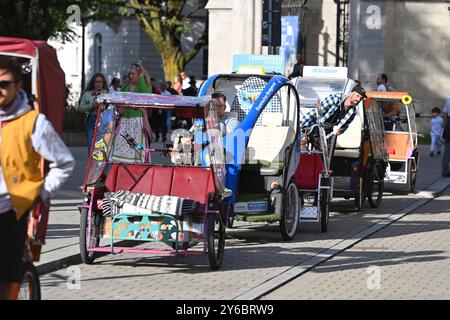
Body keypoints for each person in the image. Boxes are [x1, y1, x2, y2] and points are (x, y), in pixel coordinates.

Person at [0, 57, 75, 300]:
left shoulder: (33, 123)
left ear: (17, 86)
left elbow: (64, 162)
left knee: (6, 275)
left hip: (11, 211)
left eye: (4, 83)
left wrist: (41, 193)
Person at [301, 85, 368, 137]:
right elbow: (316, 112)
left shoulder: (352, 112)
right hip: (315, 126)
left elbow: (345, 126)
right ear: (351, 94)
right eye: (357, 96)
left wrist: (341, 131)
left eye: (361, 98)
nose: (359, 99)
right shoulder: (335, 98)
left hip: (327, 135)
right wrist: (300, 124)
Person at [79, 73, 108, 155]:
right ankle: (91, 165)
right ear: (93, 83)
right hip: (91, 119)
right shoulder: (87, 94)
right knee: (91, 144)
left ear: (103, 83)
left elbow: (112, 107)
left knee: (103, 144)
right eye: (96, 82)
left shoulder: (107, 94)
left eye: (100, 82)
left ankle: (101, 166)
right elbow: (80, 108)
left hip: (104, 120)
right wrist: (91, 105)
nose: (98, 84)